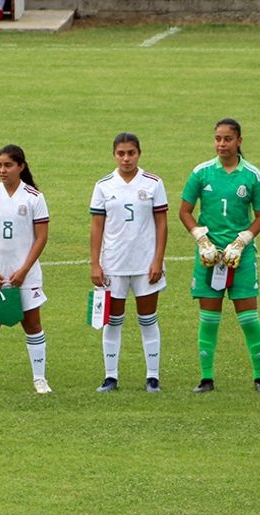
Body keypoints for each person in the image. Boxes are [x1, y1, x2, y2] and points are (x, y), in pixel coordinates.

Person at [178, 118, 260, 394]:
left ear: (239, 141)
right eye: (218, 138)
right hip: (210, 258)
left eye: (228, 139)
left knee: (249, 317)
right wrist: (201, 239)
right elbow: (184, 211)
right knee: (208, 318)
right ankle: (206, 378)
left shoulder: (252, 175)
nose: (222, 144)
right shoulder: (201, 172)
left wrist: (243, 241)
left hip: (241, 258)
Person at [88, 133, 168, 393]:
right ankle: (110, 376)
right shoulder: (103, 186)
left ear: (139, 153)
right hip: (113, 264)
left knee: (148, 319)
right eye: (121, 153)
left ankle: (152, 376)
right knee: (113, 320)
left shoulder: (154, 183)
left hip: (146, 265)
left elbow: (161, 224)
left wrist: (158, 259)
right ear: (114, 154)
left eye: (131, 153)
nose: (126, 158)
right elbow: (96, 227)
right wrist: (95, 263)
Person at [0, 144, 51, 394]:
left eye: (7, 165)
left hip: (25, 275)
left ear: (21, 167)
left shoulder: (34, 197)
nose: (2, 170)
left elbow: (41, 237)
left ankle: (40, 378)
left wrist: (24, 269)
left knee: (32, 324)